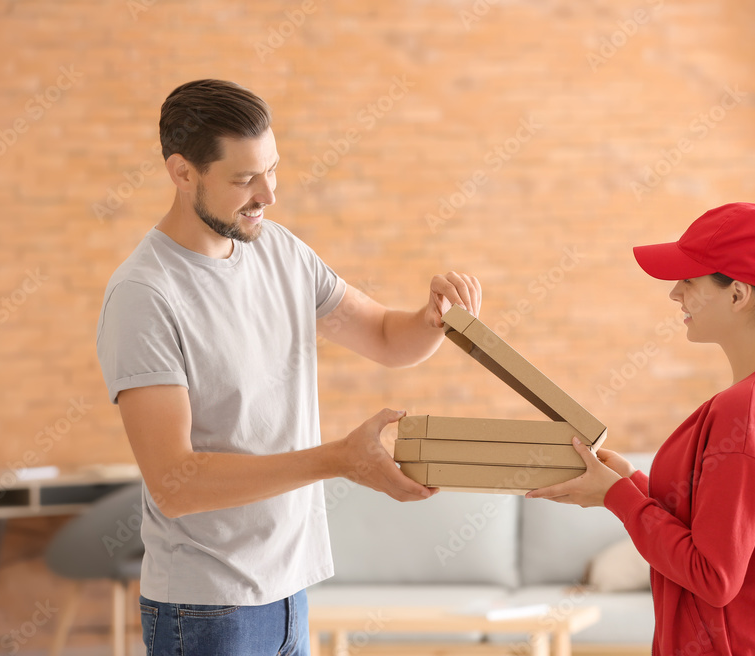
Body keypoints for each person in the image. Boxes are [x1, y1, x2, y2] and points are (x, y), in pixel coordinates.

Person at [95, 79, 482, 656]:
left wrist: (432, 319)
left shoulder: (278, 250)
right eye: (244, 178)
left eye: (272, 168)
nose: (268, 194)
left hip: (290, 592)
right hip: (205, 606)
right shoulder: (145, 295)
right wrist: (338, 460)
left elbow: (383, 335)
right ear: (182, 173)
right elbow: (175, 484)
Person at [527, 202, 755, 655]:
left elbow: (712, 576)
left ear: (737, 295)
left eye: (689, 280)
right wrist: (628, 486)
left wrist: (617, 499)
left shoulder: (746, 410)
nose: (675, 294)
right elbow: (728, 527)